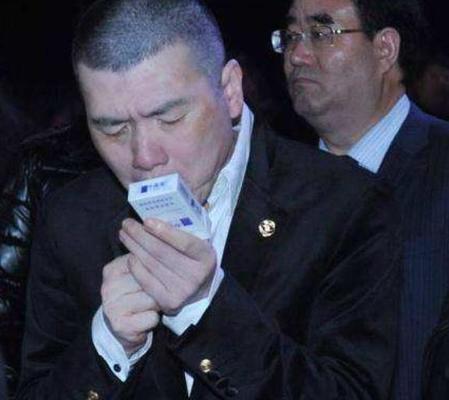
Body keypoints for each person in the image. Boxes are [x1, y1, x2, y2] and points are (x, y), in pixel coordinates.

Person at [17, 0, 401, 399]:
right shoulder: (72, 218)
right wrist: (108, 345)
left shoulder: (344, 205)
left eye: (168, 119)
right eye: (113, 129)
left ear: (230, 90)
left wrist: (204, 310)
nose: (144, 156)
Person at [271, 0, 449, 399]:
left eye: (321, 33)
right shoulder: (271, 187)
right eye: (291, 36)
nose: (296, 55)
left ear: (385, 48)